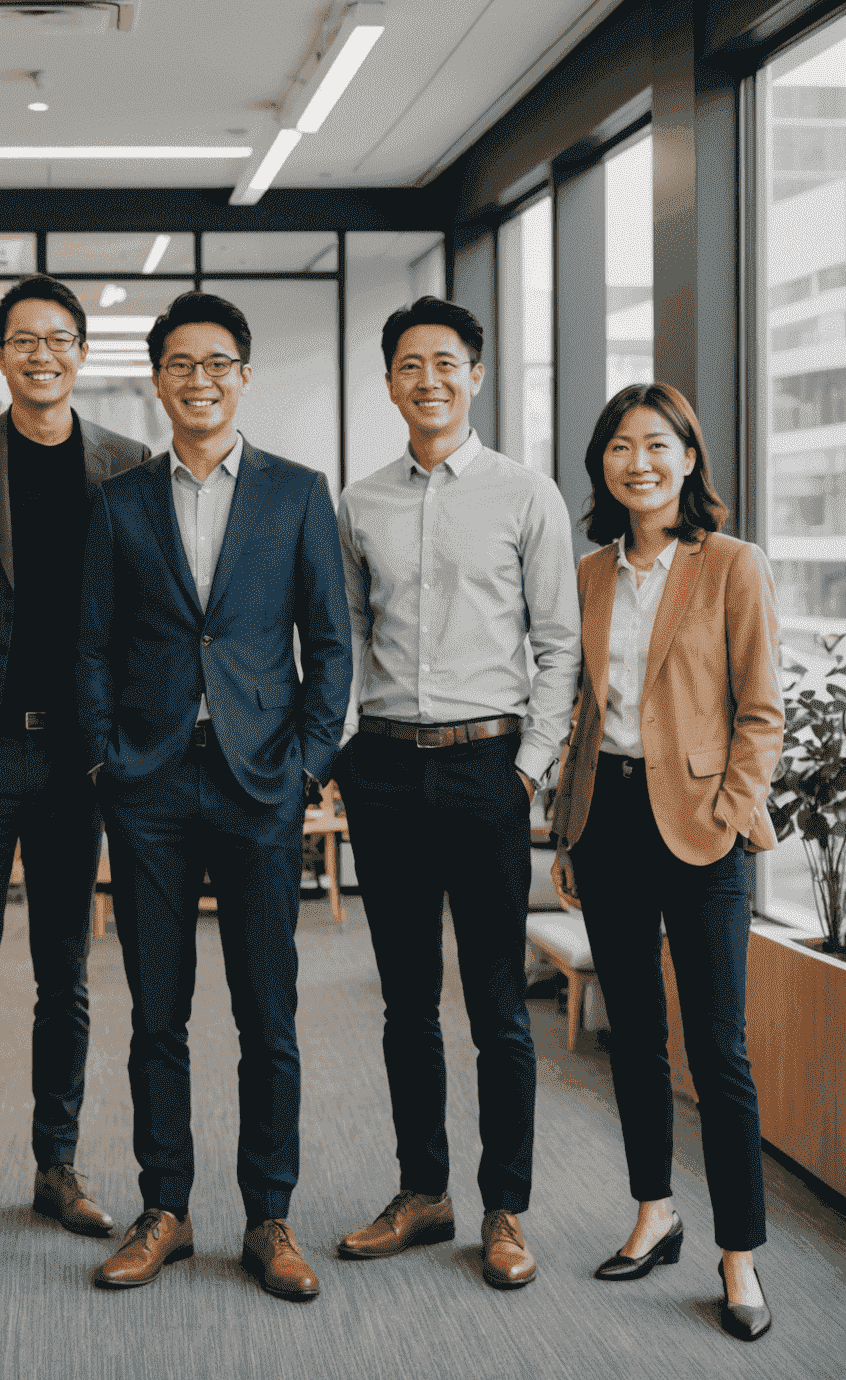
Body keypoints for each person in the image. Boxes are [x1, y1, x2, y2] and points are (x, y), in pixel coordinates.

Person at [76, 290, 351, 1301]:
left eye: (217, 363)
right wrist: (108, 759)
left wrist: (309, 766)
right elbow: (93, 645)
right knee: (158, 1013)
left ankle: (269, 1217)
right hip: (148, 784)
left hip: (261, 785)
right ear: (158, 379)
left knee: (267, 1013)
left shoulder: (295, 493)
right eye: (180, 364)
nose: (199, 380)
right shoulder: (121, 501)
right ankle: (167, 1209)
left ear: (244, 375)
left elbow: (330, 646)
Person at [334, 294, 578, 1290]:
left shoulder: (529, 496)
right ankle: (422, 1192)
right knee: (403, 1004)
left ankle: (505, 1209)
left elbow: (559, 645)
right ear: (389, 381)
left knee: (495, 1008)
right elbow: (345, 638)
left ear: (475, 375)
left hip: (487, 767)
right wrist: (347, 749)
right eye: (408, 365)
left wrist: (529, 768)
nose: (427, 379)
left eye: (446, 362)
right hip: (386, 768)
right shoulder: (360, 503)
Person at [0, 275, 148, 1244]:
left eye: (58, 339)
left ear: (82, 353)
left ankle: (58, 1162)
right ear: (0, 353)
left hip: (80, 762)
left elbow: (146, 613)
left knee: (67, 974)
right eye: (23, 339)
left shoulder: (127, 464)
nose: (40, 354)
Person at [551, 383, 782, 1342]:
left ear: (689, 459)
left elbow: (761, 710)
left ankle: (741, 1254)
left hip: (701, 829)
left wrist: (728, 813)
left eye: (657, 445)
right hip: (607, 824)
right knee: (634, 1037)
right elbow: (579, 712)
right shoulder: (588, 574)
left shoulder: (732, 564)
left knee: (718, 1050)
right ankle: (655, 1210)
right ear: (602, 464)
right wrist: (566, 829)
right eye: (619, 446)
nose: (636, 462)